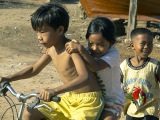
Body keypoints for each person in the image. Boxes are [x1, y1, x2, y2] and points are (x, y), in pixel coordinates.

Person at [0, 3, 105, 120]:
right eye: (37, 32)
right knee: (30, 112)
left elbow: (84, 77)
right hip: (70, 98)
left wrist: (55, 90)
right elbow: (34, 69)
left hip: (88, 102)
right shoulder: (51, 50)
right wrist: (9, 78)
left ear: (60, 30)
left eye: (43, 31)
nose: (39, 37)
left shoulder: (71, 49)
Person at [65, 16, 125, 120]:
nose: (94, 48)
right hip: (93, 99)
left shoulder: (113, 54)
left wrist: (81, 50)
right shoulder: (88, 51)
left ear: (111, 42)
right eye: (91, 43)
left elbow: (95, 67)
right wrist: (76, 48)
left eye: (101, 44)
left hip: (112, 101)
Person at [120, 28, 160, 120]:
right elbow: (116, 86)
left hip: (150, 111)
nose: (147, 46)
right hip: (131, 110)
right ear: (132, 45)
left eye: (150, 44)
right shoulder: (124, 66)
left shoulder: (155, 66)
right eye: (143, 43)